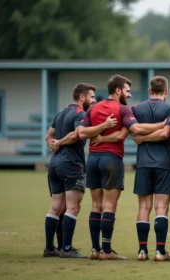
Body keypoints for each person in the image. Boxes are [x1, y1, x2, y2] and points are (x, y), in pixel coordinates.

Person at [79, 75, 165, 260]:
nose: (129, 94)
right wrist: (164, 123)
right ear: (117, 91)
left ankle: (95, 250)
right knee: (109, 205)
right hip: (111, 159)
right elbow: (135, 131)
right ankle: (106, 251)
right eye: (127, 91)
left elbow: (81, 133)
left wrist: (100, 135)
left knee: (95, 205)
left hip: (92, 159)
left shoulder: (93, 107)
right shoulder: (123, 109)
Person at [44, 83, 101, 258]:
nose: (94, 100)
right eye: (92, 97)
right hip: (71, 165)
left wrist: (53, 145)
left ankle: (50, 248)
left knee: (56, 207)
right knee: (73, 207)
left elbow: (49, 136)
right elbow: (78, 134)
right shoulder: (80, 114)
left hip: (54, 164)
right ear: (82, 97)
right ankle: (67, 250)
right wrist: (59, 143)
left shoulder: (61, 113)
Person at [130, 76, 170, 261]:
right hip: (164, 164)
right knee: (161, 207)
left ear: (149, 91)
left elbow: (135, 131)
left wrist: (143, 138)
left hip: (143, 163)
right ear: (166, 91)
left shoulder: (137, 108)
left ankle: (142, 251)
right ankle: (160, 252)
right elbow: (166, 132)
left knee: (143, 206)